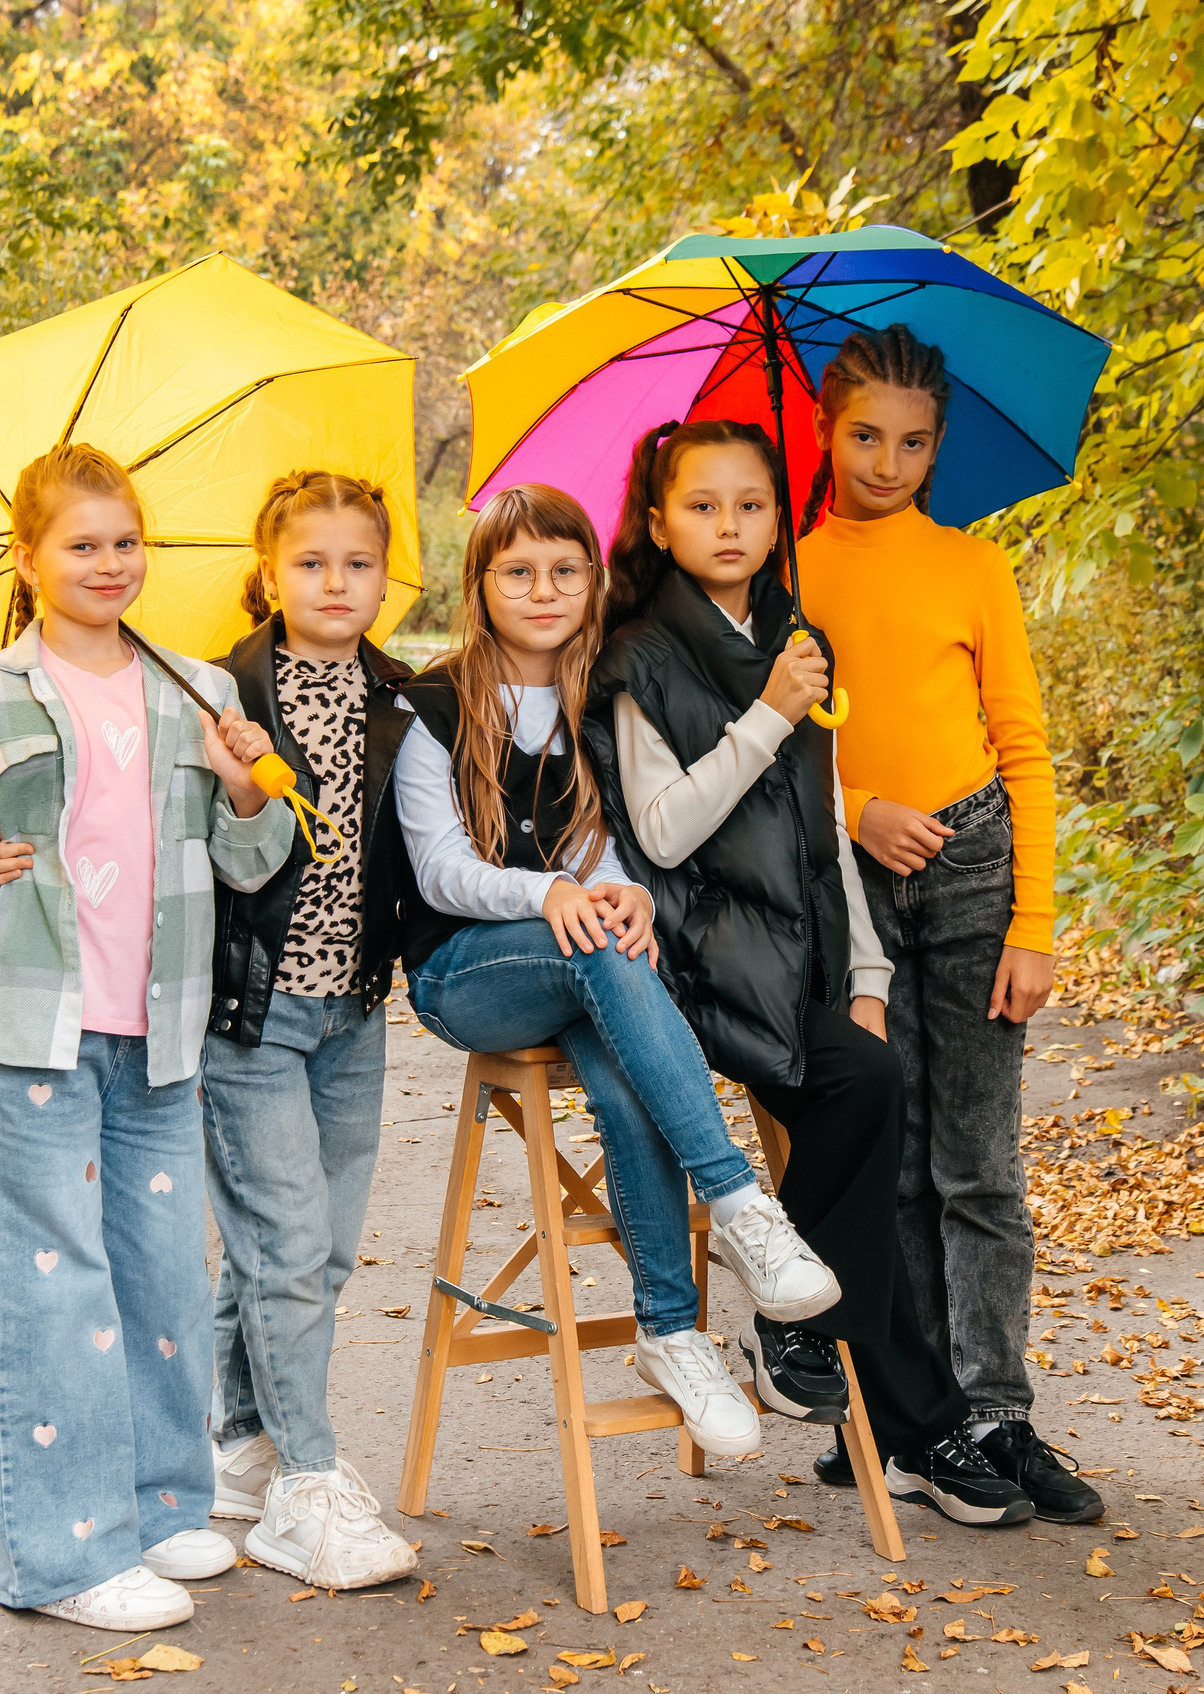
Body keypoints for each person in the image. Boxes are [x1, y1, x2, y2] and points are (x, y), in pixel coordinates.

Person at [582, 418, 1045, 1527]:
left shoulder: (794, 637)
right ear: (659, 524)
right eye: (702, 505)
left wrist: (869, 977)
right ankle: (914, 1418)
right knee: (865, 1101)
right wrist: (766, 715)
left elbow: (828, 828)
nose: (729, 525)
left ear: (776, 518)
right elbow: (663, 828)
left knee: (872, 1082)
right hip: (687, 966)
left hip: (792, 965)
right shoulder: (637, 655)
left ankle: (811, 1337)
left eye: (751, 504)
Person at [0, 443, 293, 1632]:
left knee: (161, 1274)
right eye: (81, 544)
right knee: (52, 1287)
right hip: (31, 1028)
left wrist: (248, 784)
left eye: (125, 541)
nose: (109, 563)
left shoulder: (197, 688)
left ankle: (161, 1504)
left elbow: (254, 859)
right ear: (29, 558)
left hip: (157, 1029)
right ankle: (64, 1556)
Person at [0, 471, 422, 1589]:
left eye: (358, 563)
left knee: (311, 1250)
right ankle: (307, 1479)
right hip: (245, 1012)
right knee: (284, 1245)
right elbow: (133, 827)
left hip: (354, 1007)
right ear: (267, 572)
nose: (336, 582)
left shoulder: (401, 698)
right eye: (310, 562)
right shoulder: (220, 688)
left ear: (388, 577)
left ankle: (239, 1439)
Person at [394, 480, 842, 1458]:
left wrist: (623, 890)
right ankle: (737, 1202)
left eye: (565, 570)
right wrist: (552, 893)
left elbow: (601, 848)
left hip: (576, 963)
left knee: (623, 1045)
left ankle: (671, 1334)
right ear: (480, 585)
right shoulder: (433, 703)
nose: (543, 590)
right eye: (518, 572)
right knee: (597, 946)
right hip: (463, 974)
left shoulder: (593, 694)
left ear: (594, 581)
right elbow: (439, 870)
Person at [793, 325, 1100, 1522]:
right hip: (852, 873)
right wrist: (858, 809)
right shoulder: (787, 574)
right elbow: (772, 756)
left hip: (974, 866)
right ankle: (911, 1416)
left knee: (979, 1163)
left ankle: (997, 1412)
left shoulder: (973, 567)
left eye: (913, 443)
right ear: (825, 428)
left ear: (937, 448)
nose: (887, 462)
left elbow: (1023, 745)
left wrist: (1035, 920)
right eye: (866, 436)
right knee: (894, 1156)